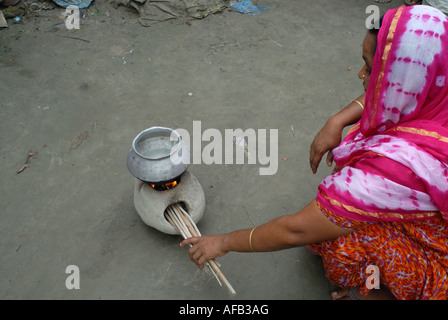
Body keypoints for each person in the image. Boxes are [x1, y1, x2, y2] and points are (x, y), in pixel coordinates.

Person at [181, 5, 448, 300]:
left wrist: (223, 242)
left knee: (340, 246)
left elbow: (296, 231)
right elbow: (394, 86)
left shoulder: (393, 171)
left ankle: (377, 293)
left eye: (370, 69)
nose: (361, 74)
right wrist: (338, 120)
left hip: (441, 268)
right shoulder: (439, 82)